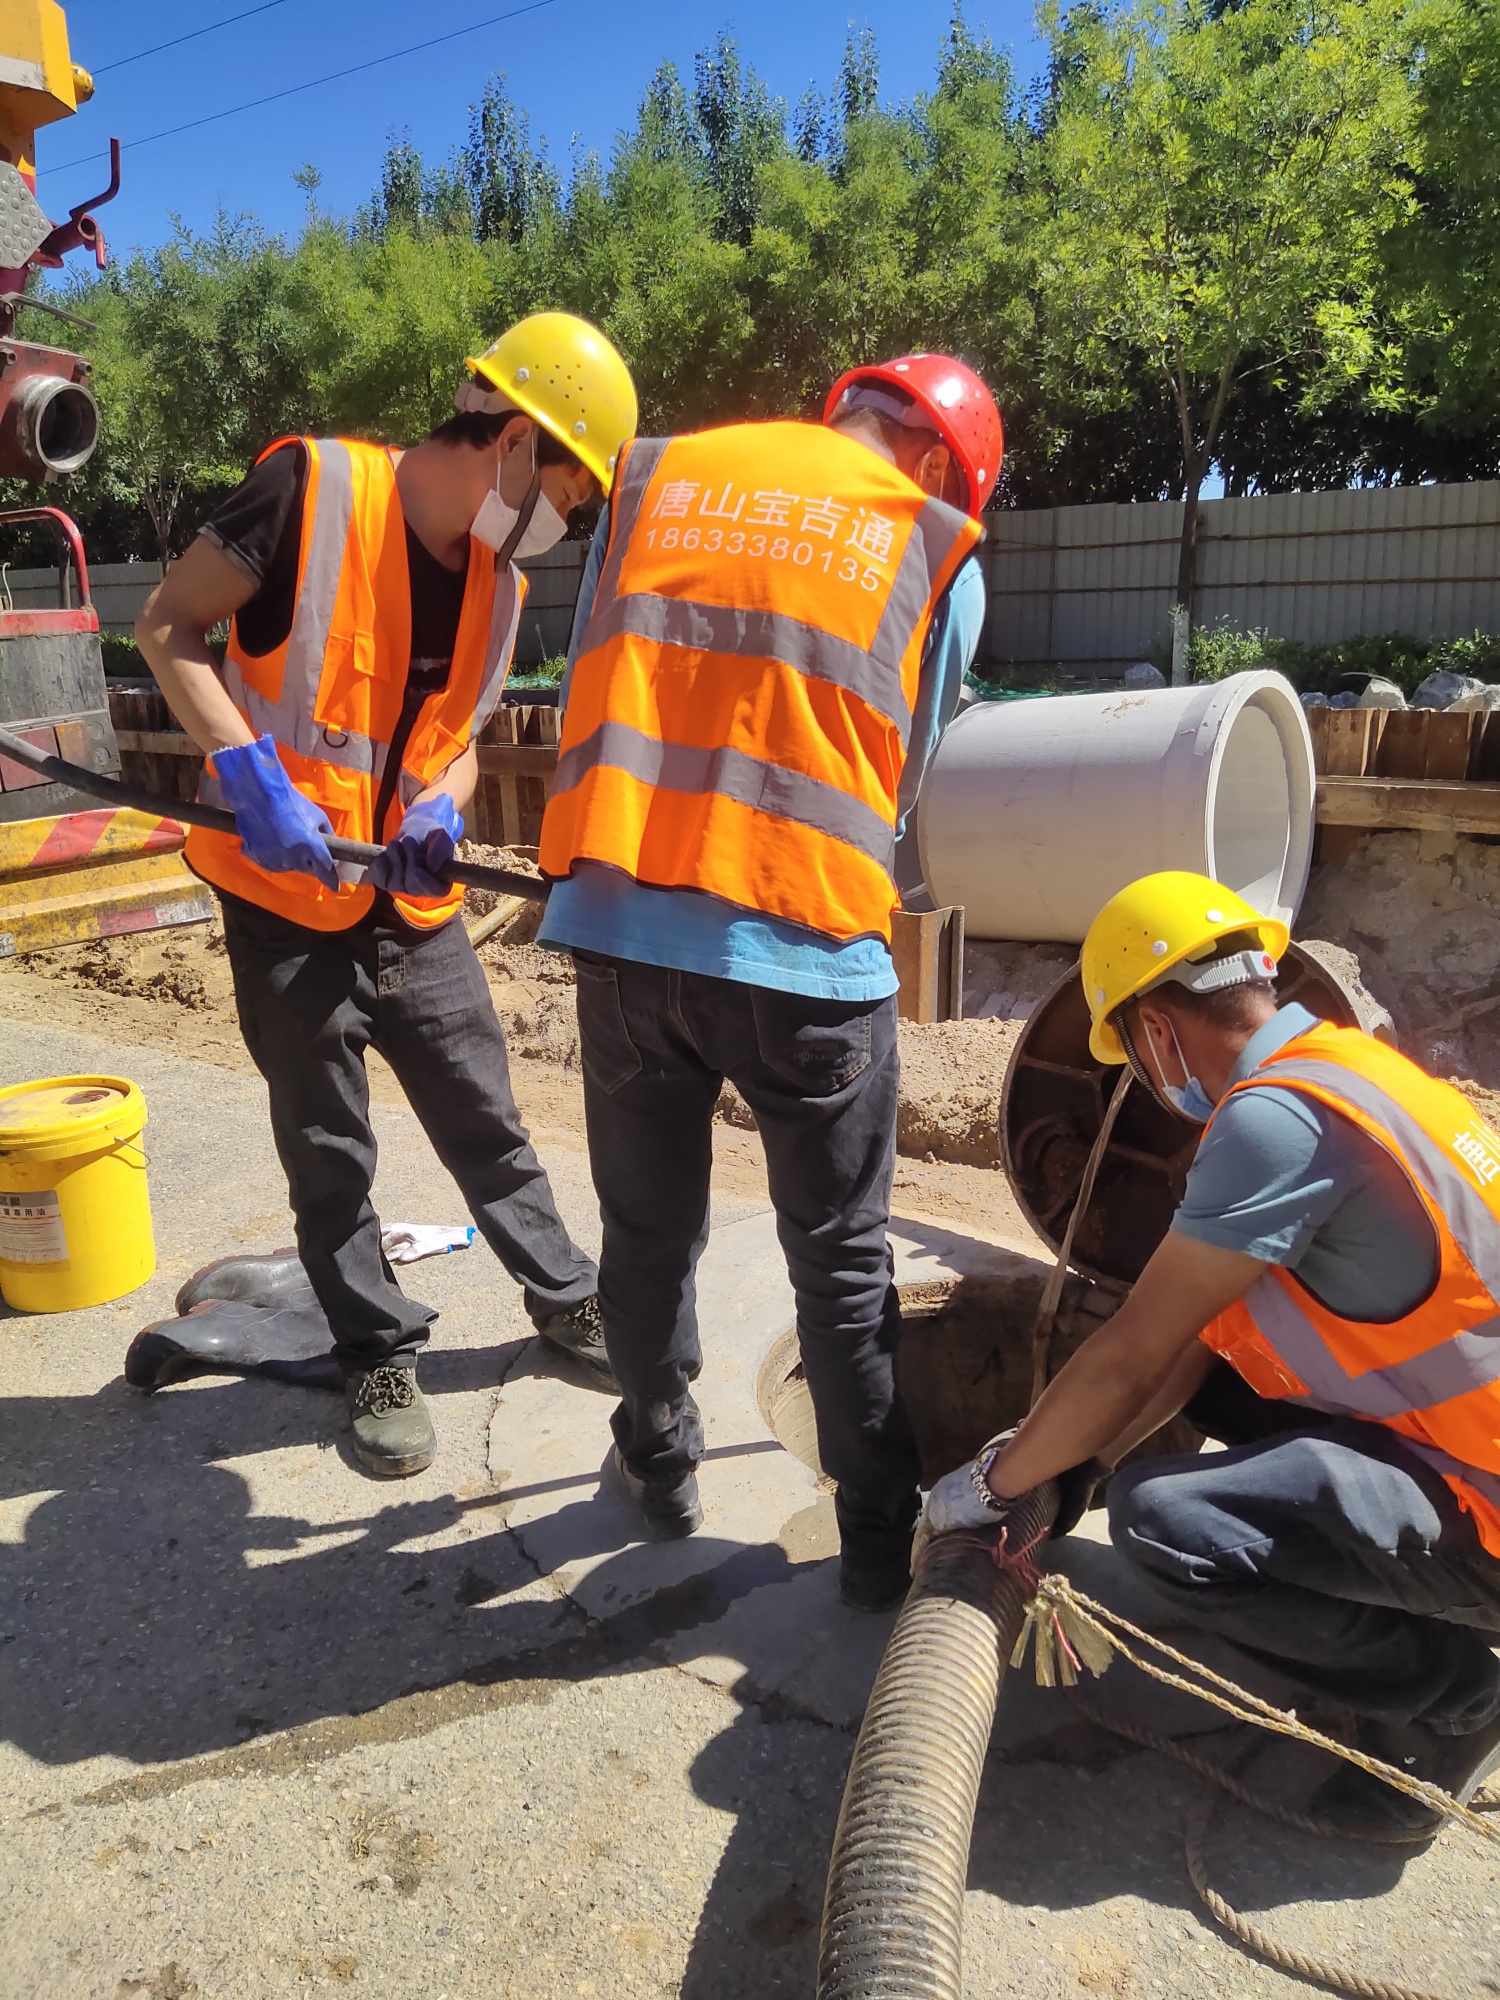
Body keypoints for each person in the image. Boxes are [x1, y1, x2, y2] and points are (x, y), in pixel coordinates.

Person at [136, 312, 638, 1480]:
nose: (568, 521)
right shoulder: (305, 493)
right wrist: (246, 772)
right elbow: (166, 625)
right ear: (514, 439)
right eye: (573, 489)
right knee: (329, 1146)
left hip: (409, 903)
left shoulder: (498, 586)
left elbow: (454, 740)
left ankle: (565, 1294)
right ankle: (372, 1345)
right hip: (283, 892)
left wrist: (442, 808)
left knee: (486, 1115)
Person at [534, 353, 1000, 1609]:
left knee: (643, 1231)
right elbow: (905, 775)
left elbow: (595, 666)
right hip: (806, 949)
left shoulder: (660, 478)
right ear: (943, 462)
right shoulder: (934, 543)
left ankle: (664, 1459)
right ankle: (872, 1541)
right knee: (839, 1264)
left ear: (844, 410)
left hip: (623, 924)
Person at [924, 869, 1500, 1833]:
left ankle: (1450, 1704)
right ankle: (1378, 1620)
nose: (1147, 1075)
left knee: (1165, 1524)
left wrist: (991, 1485)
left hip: (1483, 1491)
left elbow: (1132, 1350)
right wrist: (1066, 1472)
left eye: (1134, 1052)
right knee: (1220, 1400)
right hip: (1460, 1425)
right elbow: (1198, 1337)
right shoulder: (1353, 1070)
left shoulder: (1274, 1122)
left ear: (1156, 1027)